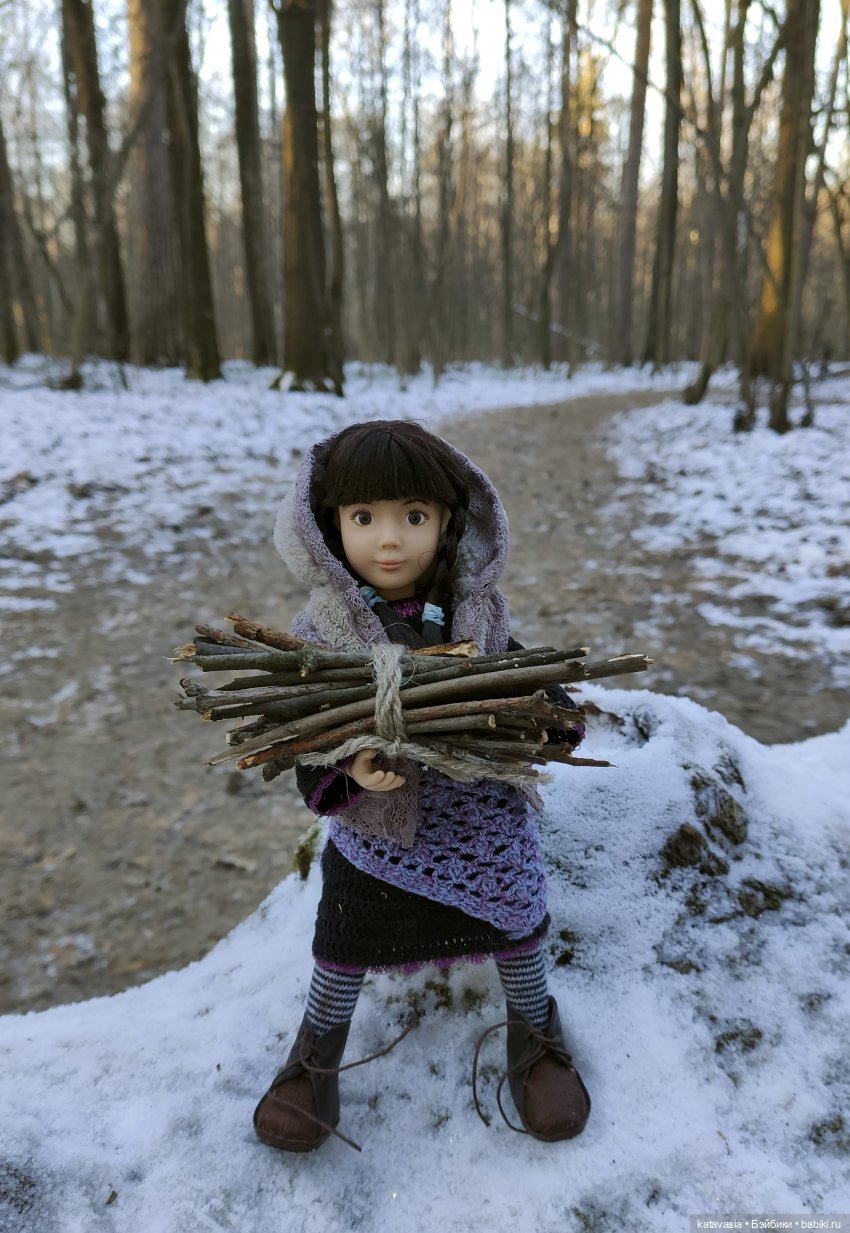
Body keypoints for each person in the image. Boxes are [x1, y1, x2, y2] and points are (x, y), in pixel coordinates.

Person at [253, 419, 591, 1153]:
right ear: (327, 527)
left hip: (479, 816)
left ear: (450, 521)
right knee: (343, 934)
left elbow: (518, 677)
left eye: (415, 516)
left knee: (516, 908)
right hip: (380, 831)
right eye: (363, 517)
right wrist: (350, 769)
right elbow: (309, 739)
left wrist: (548, 721)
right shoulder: (324, 635)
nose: (390, 540)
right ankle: (318, 1051)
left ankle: (534, 1030)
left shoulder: (477, 615)